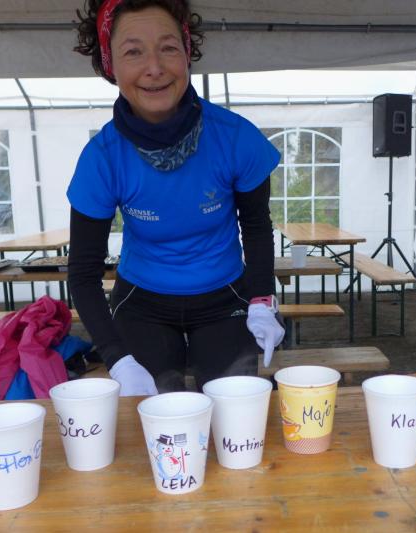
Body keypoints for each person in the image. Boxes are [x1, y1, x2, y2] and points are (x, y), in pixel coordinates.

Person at [67, 0, 284, 396]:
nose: (154, 67)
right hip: (141, 302)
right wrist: (117, 358)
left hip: (225, 297)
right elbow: (82, 274)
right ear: (111, 65)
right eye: (133, 52)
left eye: (168, 47)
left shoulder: (236, 138)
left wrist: (261, 300)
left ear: (187, 53)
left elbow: (255, 227)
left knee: (232, 411)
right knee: (155, 414)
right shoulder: (102, 158)